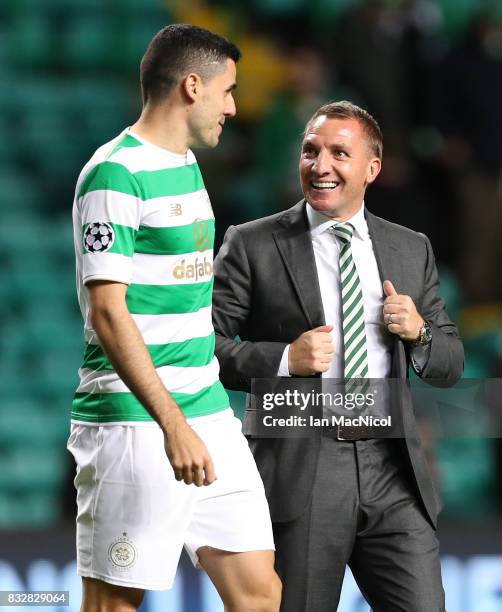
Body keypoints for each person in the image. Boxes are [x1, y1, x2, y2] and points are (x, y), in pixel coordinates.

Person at [212, 100, 464, 611]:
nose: (320, 165)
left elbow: (450, 364)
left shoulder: (411, 248)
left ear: (372, 168)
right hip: (302, 461)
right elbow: (201, 351)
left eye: (339, 153)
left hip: (392, 467)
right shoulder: (251, 243)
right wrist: (284, 359)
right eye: (311, 151)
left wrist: (419, 334)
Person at [67, 24, 281, 612]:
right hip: (135, 423)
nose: (234, 107)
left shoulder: (186, 162)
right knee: (114, 603)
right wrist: (172, 425)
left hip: (207, 411)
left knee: (261, 594)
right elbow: (107, 314)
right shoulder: (114, 173)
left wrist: (193, 418)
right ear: (192, 86)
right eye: (227, 91)